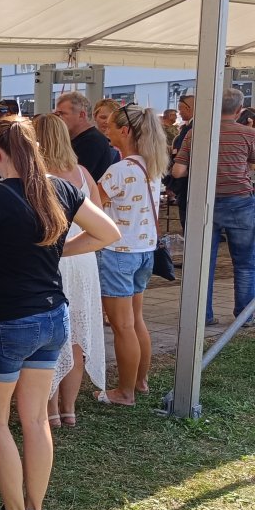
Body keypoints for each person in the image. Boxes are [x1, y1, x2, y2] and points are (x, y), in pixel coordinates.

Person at [0, 117, 118, 510]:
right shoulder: (60, 188)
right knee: (34, 419)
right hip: (52, 316)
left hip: (5, 320)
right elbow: (108, 232)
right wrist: (60, 249)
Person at [33, 114, 107, 426]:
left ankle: (50, 410)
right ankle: (69, 409)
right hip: (83, 257)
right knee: (77, 334)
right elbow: (101, 218)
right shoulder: (82, 173)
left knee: (52, 336)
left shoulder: (36, 177)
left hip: (51, 257)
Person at [96, 104, 168, 406]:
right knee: (136, 320)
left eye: (110, 126)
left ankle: (125, 392)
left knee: (122, 326)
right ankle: (139, 381)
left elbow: (91, 207)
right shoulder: (152, 165)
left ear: (124, 131)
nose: (106, 130)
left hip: (117, 253)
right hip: (144, 251)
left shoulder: (119, 170)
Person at [172, 87, 255, 328]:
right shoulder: (249, 134)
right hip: (241, 202)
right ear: (239, 110)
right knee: (245, 262)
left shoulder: (196, 133)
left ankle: (202, 315)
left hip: (204, 203)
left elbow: (178, 171)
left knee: (202, 263)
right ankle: (244, 316)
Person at [54, 92, 114, 180]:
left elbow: (72, 178)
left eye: (62, 113)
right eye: (56, 114)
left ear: (81, 115)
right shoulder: (76, 139)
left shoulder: (93, 141)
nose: (57, 118)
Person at [168, 93, 195, 229]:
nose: (179, 113)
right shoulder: (189, 127)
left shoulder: (190, 129)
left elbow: (180, 153)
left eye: (180, 109)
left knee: (187, 215)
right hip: (188, 177)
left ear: (188, 108)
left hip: (186, 179)